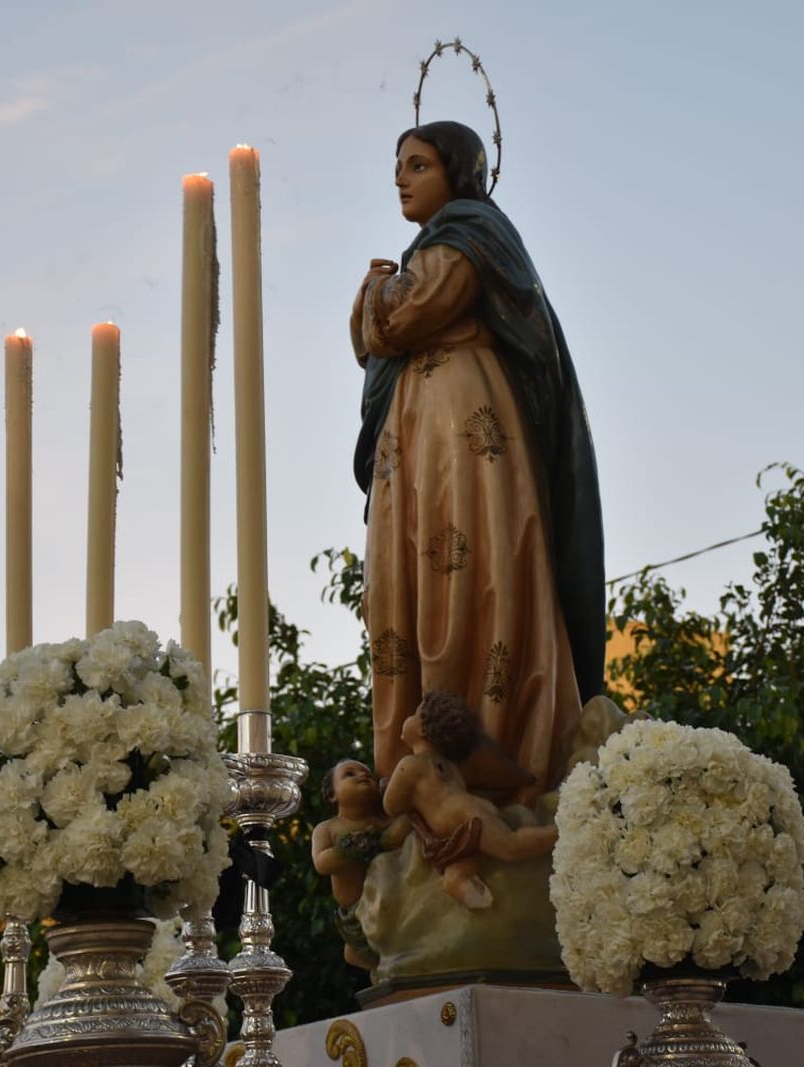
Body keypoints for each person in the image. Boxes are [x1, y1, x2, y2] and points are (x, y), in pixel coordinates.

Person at [351, 120, 605, 801]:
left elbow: (397, 321)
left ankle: (494, 742)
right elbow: (377, 336)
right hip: (415, 431)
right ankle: (414, 760)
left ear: (458, 175)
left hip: (465, 423)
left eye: (417, 165)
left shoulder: (467, 240)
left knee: (473, 565)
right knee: (405, 577)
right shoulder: (431, 250)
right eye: (398, 165)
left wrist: (376, 289)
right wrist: (383, 296)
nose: (401, 178)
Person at [382, 690, 558, 910]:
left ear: (423, 729)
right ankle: (467, 889)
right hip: (464, 821)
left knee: (510, 846)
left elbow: (391, 805)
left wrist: (387, 786)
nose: (407, 717)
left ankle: (560, 832)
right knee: (458, 870)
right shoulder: (450, 766)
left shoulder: (410, 765)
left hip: (465, 816)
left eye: (415, 714)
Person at [310, 758, 410, 968]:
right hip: (357, 917)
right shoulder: (329, 829)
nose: (362, 775)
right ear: (332, 795)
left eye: (368, 774)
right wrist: (376, 842)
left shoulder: (387, 820)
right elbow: (322, 862)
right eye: (349, 774)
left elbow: (407, 826)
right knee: (355, 952)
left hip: (398, 906)